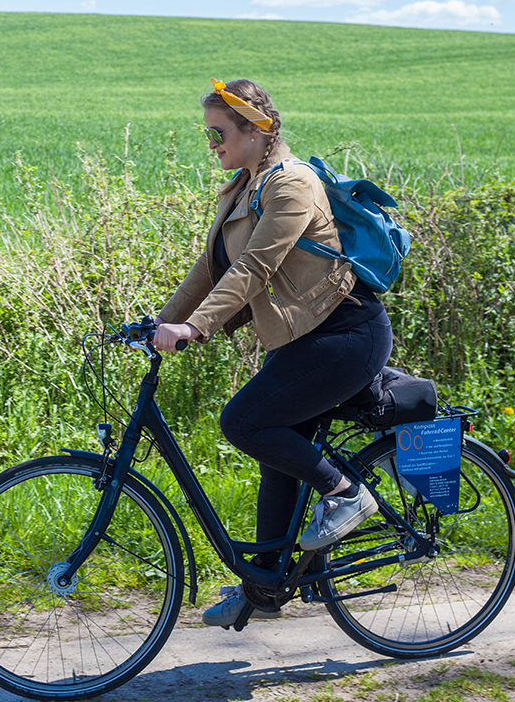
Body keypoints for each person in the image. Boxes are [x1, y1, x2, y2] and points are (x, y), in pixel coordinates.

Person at [153, 79, 393, 627]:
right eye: (206, 133)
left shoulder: (292, 185)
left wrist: (195, 328)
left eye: (218, 133)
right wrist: (159, 322)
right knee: (278, 457)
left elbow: (254, 268)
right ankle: (265, 586)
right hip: (303, 340)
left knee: (245, 422)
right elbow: (209, 271)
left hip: (346, 335)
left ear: (255, 130)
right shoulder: (243, 186)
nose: (211, 143)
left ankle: (347, 493)